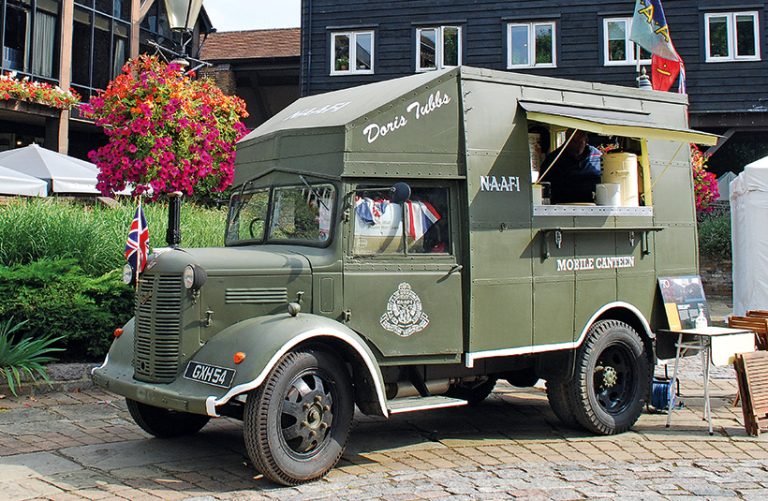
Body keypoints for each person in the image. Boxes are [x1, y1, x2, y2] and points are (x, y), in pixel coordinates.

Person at [539, 129, 602, 204]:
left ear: (586, 140)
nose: (575, 145)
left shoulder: (597, 156)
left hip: (592, 205)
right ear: (566, 140)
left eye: (579, 141)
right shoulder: (553, 159)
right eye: (572, 141)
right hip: (562, 206)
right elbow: (544, 187)